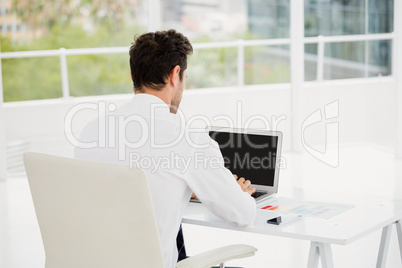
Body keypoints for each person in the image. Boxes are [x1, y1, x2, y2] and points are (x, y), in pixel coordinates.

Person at [74, 29, 256, 268]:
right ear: (175, 74)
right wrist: (238, 194)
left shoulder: (91, 131)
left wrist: (179, 185)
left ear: (132, 76)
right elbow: (241, 216)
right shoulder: (187, 138)